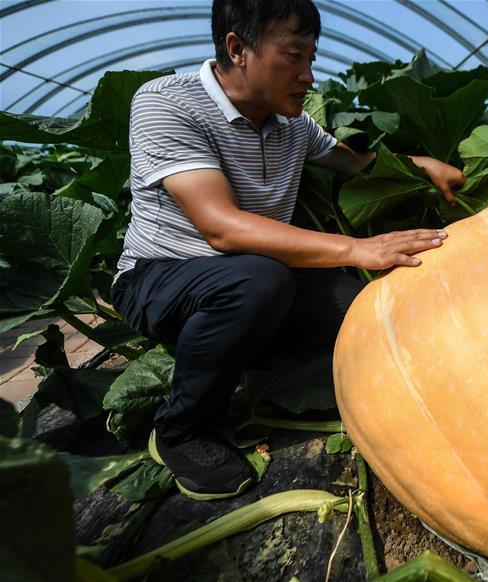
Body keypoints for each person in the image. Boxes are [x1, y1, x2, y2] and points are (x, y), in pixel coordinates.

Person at [111, 0, 465, 500]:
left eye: (312, 59)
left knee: (353, 305)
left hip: (254, 280)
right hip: (161, 276)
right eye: (294, 56)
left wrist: (423, 164)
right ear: (238, 48)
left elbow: (356, 162)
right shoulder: (166, 102)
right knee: (258, 281)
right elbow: (223, 230)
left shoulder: (292, 125)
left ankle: (243, 357)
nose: (308, 75)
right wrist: (356, 247)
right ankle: (181, 430)